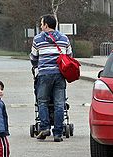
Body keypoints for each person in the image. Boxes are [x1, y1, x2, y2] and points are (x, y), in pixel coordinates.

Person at [30, 14, 72, 142]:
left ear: (46, 25)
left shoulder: (37, 39)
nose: (41, 26)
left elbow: (33, 58)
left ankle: (45, 128)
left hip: (44, 75)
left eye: (41, 24)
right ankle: (58, 133)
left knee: (42, 101)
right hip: (60, 75)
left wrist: (38, 64)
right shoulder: (64, 39)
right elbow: (69, 56)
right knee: (60, 104)